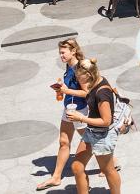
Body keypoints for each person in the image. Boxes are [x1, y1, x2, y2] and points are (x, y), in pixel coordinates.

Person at [38, 38, 90, 191]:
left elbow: (86, 92)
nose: (61, 56)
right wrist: (61, 88)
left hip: (79, 111)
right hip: (69, 108)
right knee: (63, 142)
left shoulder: (80, 69)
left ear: (73, 51)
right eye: (59, 53)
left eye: (63, 52)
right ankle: (56, 177)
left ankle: (110, 163)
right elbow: (71, 87)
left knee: (91, 142)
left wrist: (67, 91)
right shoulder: (69, 66)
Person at [65, 58, 122, 194]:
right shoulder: (96, 81)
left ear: (89, 75)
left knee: (109, 170)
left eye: (79, 77)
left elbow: (106, 121)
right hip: (91, 131)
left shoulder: (102, 93)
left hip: (103, 136)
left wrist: (81, 118)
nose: (78, 81)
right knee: (77, 166)